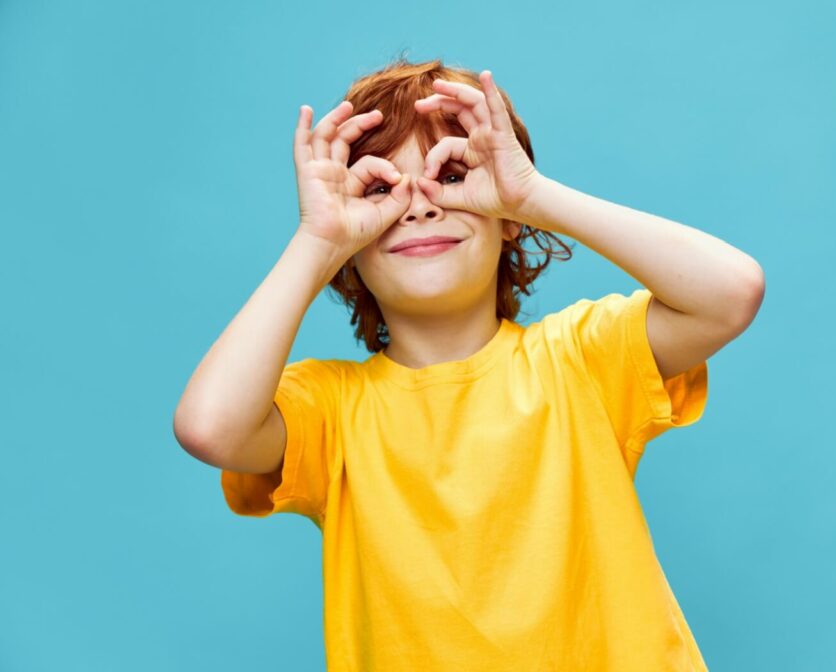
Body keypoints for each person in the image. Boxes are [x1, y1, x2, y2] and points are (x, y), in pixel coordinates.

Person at [173, 57, 764, 671]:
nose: (419, 207)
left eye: (450, 174)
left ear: (509, 223)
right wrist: (317, 240)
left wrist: (529, 194)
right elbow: (209, 426)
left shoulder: (581, 358)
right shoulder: (331, 410)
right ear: (352, 250)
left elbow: (731, 292)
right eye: (381, 190)